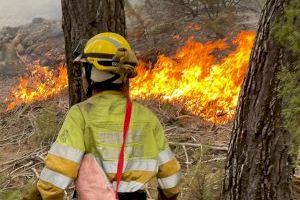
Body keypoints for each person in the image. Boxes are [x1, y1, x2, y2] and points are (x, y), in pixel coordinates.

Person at [23, 32, 181, 200]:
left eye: (85, 69)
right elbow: (171, 179)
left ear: (92, 72)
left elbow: (56, 175)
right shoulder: (147, 117)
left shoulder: (81, 115)